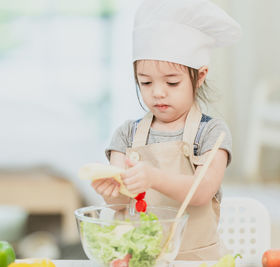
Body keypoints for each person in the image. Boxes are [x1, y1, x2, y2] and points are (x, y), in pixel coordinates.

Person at [91, 0, 241, 261]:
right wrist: (110, 192)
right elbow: (118, 207)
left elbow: (203, 190)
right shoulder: (126, 134)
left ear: (201, 75)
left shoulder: (211, 133)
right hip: (140, 259)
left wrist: (153, 177)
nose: (157, 92)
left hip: (196, 260)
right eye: (145, 82)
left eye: (172, 82)